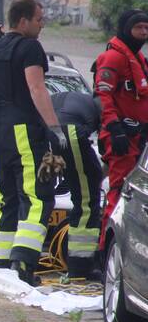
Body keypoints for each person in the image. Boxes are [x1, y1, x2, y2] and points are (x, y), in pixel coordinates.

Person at [0, 0, 65, 285]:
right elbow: (37, 89)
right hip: (22, 129)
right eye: (39, 19)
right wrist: (54, 128)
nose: (42, 24)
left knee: (8, 199)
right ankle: (22, 265)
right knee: (37, 197)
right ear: (23, 21)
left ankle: (2, 265)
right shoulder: (30, 48)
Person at [93, 9, 148, 239]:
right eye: (139, 28)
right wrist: (115, 129)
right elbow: (102, 96)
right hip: (121, 137)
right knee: (118, 192)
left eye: (146, 28)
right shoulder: (113, 58)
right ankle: (107, 248)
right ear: (127, 29)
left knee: (135, 197)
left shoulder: (139, 60)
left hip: (138, 138)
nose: (144, 33)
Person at [51, 91, 103, 279]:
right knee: (87, 200)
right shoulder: (100, 106)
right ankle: (80, 266)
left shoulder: (72, 97)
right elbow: (105, 144)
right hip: (69, 132)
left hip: (45, 129)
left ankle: (19, 261)